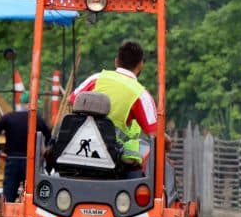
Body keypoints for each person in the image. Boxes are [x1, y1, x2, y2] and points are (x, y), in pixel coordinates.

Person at [69, 40, 169, 172]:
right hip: (114, 160)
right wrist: (168, 143)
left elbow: (72, 100)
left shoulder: (96, 78)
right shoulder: (141, 95)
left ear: (116, 61)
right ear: (140, 65)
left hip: (77, 151)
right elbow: (156, 134)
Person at [0, 92, 51, 202]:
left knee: (9, 196)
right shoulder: (38, 119)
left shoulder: (8, 118)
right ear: (31, 104)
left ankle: (8, 216)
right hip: (31, 162)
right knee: (33, 197)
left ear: (21, 103)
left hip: (12, 161)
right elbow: (49, 137)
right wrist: (44, 151)